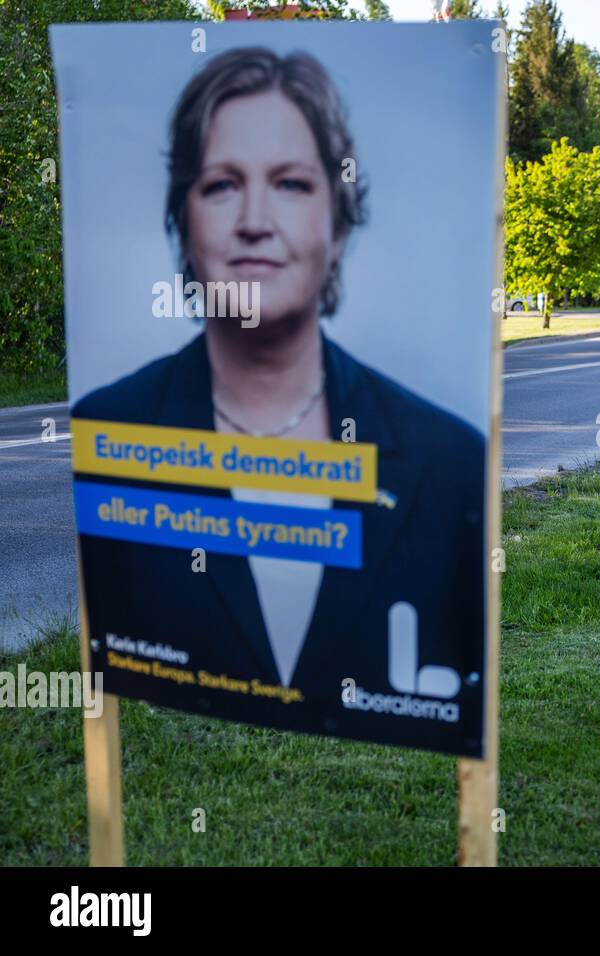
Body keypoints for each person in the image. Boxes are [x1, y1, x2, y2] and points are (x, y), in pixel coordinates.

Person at [71, 47, 485, 752]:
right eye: (222, 185)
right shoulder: (104, 436)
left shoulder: (450, 460)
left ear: (339, 221)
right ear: (183, 222)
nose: (255, 220)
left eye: (291, 184)